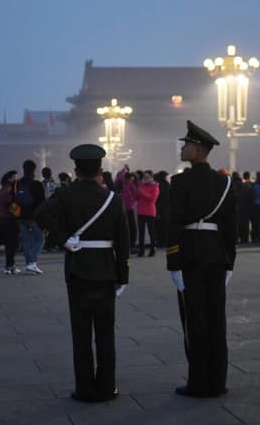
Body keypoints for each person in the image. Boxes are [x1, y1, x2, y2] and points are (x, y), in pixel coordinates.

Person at [35, 144, 129, 403]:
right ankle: (107, 386)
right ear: (100, 170)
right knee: (105, 334)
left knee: (81, 333)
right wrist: (123, 277)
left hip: (77, 269)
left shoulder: (65, 195)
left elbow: (40, 215)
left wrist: (62, 239)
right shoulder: (114, 199)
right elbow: (123, 242)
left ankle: (85, 388)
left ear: (76, 170)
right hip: (106, 271)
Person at [167, 120, 237, 398]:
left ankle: (198, 383)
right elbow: (231, 227)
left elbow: (172, 224)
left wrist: (173, 263)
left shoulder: (181, 181)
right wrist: (229, 262)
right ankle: (218, 381)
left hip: (191, 255)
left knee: (195, 320)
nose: (182, 148)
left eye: (186, 144)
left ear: (197, 149)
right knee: (216, 319)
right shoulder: (225, 182)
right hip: (216, 255)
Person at [17, 160, 46, 274]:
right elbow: (42, 202)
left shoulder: (17, 184)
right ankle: (32, 263)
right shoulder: (37, 184)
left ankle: (29, 264)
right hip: (34, 217)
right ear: (34, 170)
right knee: (40, 239)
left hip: (20, 216)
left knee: (26, 240)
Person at [0, 171, 21, 274]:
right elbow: (10, 205)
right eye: (15, 177)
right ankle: (10, 266)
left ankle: (10, 265)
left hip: (5, 219)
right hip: (9, 219)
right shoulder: (8, 190)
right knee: (11, 244)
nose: (17, 179)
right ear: (9, 179)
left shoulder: (5, 189)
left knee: (11, 244)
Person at [136, 170, 159, 257]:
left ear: (151, 177)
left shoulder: (155, 186)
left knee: (151, 232)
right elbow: (137, 198)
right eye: (144, 177)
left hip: (150, 212)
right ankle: (141, 251)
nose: (145, 179)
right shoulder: (141, 186)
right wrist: (137, 193)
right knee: (141, 232)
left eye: (147, 177)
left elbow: (152, 199)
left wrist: (142, 192)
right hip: (141, 211)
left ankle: (152, 249)